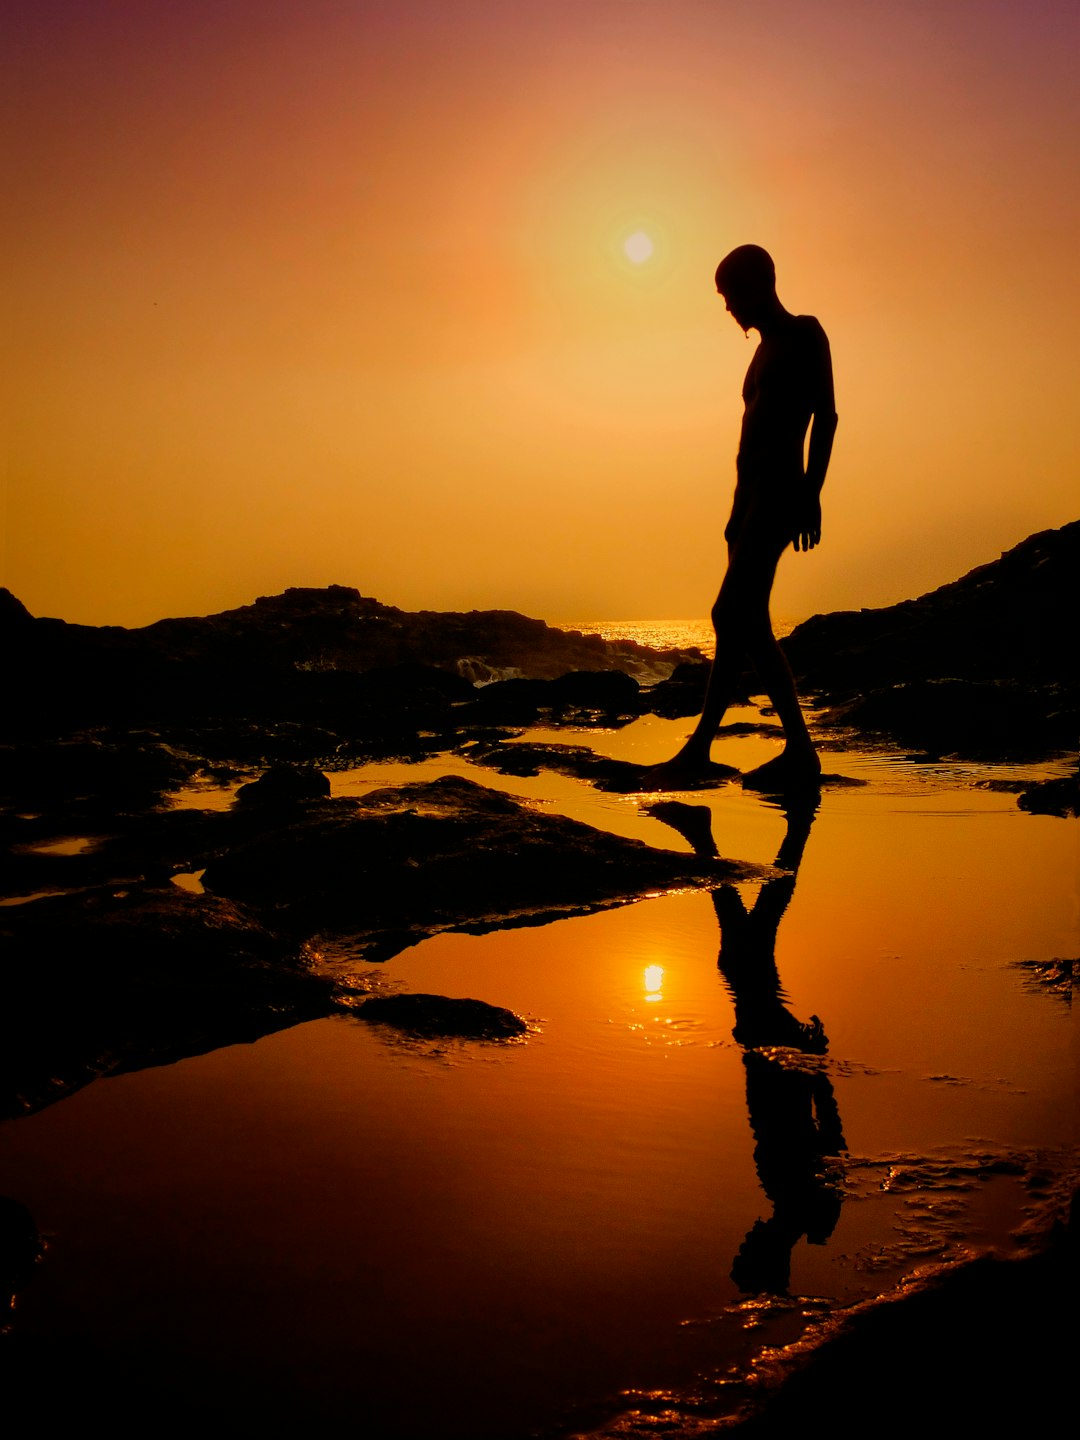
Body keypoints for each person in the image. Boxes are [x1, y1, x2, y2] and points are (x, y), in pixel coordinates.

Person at [650, 244, 837, 790]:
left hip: (782, 494)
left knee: (731, 612)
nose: (728, 308)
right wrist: (734, 513)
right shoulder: (759, 354)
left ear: (760, 285)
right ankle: (706, 749)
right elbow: (747, 442)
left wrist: (812, 493)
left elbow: (824, 416)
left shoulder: (806, 332)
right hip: (750, 501)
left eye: (731, 295)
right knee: (738, 625)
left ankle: (795, 749)